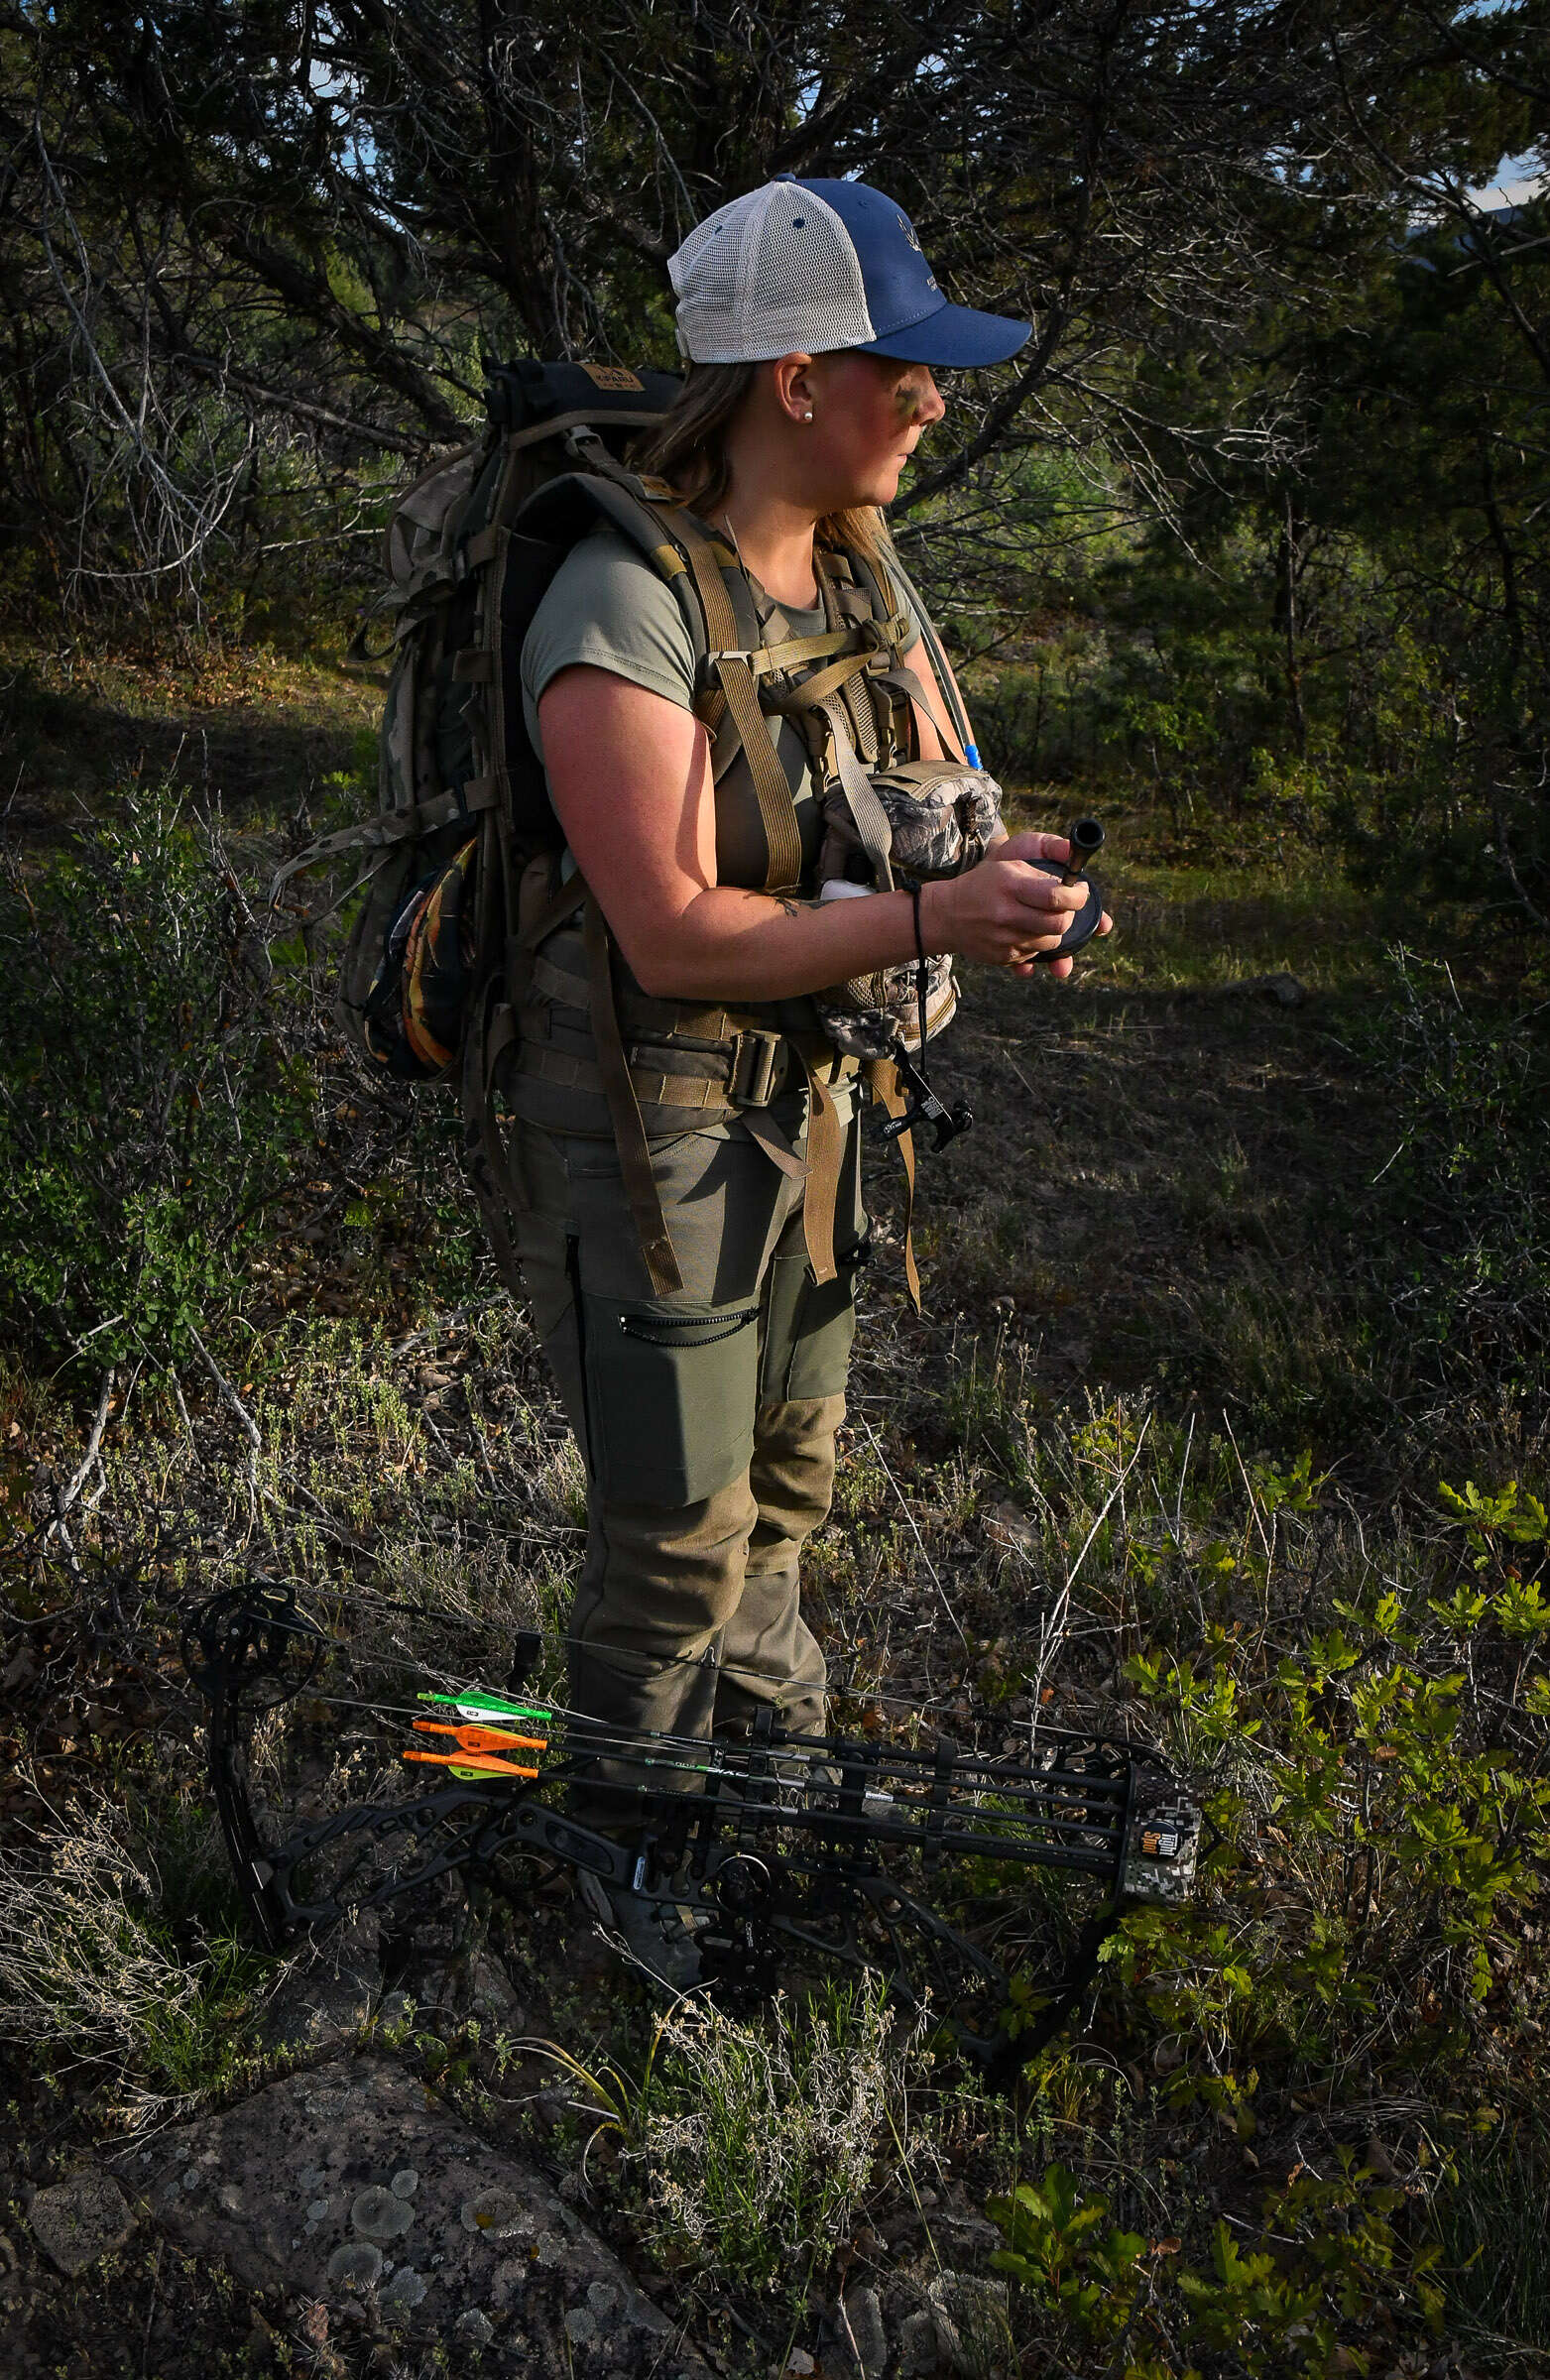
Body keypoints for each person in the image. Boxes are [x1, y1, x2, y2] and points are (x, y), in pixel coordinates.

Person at [508, 176, 1109, 1980]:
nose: (932, 399)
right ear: (790, 380)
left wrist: (1024, 892)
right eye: (899, 367)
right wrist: (933, 911)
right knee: (677, 1537)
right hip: (659, 1125)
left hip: (819, 1113)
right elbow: (677, 935)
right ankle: (612, 1859)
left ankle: (768, 1772)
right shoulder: (621, 605)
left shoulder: (866, 574)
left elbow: (946, 800)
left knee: (787, 1485)